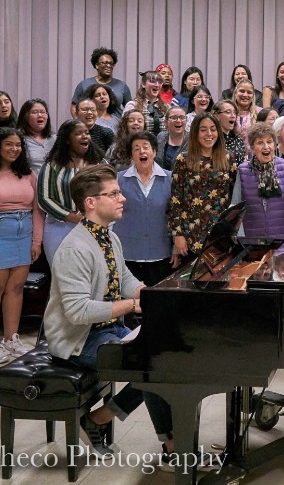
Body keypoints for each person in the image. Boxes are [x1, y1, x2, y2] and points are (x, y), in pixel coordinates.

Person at [42, 164, 175, 464]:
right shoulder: (75, 248)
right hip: (78, 339)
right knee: (152, 364)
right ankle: (171, 445)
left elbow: (125, 280)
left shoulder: (108, 237)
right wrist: (131, 306)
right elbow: (77, 312)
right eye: (113, 193)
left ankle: (100, 418)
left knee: (164, 354)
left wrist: (151, 296)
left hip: (105, 329)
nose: (122, 198)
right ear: (91, 202)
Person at [0, 127, 42, 364]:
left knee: (16, 287)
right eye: (9, 144)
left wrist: (37, 240)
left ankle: (11, 339)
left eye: (18, 145)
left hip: (24, 232)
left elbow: (37, 210)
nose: (15, 149)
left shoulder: (28, 174)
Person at [112, 132, 177, 286]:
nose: (141, 151)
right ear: (131, 156)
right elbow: (110, 217)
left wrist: (175, 247)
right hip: (126, 256)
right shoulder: (118, 180)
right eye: (136, 149)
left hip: (160, 255)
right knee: (128, 305)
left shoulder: (171, 179)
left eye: (145, 147)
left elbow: (177, 216)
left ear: (154, 152)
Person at [169, 113, 235, 260]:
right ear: (195, 133)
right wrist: (178, 235)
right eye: (203, 129)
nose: (209, 134)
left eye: (213, 129)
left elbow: (234, 196)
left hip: (220, 235)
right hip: (191, 235)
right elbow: (175, 200)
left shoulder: (228, 158)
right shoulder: (183, 159)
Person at [38, 119, 104, 265]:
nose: (85, 136)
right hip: (59, 227)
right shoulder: (52, 166)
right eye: (79, 133)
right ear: (67, 140)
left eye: (87, 133)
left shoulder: (99, 164)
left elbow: (109, 193)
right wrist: (70, 216)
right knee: (61, 274)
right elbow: (44, 198)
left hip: (93, 226)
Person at [231, 123, 284, 240]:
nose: (266, 147)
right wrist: (241, 236)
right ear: (252, 147)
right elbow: (236, 207)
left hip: (283, 243)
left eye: (269, 142)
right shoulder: (243, 170)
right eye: (260, 143)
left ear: (275, 144)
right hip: (253, 243)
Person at [71, 46, 133, 114]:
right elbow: (74, 105)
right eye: (105, 63)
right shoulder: (84, 84)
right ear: (97, 65)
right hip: (91, 123)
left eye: (111, 63)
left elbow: (130, 108)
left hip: (116, 123)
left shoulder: (122, 86)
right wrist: (79, 122)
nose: (109, 66)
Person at [124, 71, 169, 136]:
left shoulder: (166, 107)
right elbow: (125, 129)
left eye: (159, 82)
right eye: (152, 81)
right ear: (143, 84)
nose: (156, 85)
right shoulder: (133, 105)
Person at [18, 99, 55, 174]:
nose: (40, 115)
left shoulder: (55, 138)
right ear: (25, 116)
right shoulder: (19, 138)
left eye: (43, 112)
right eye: (35, 112)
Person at [155, 105, 190, 170]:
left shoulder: (192, 139)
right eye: (174, 118)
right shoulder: (160, 137)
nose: (178, 121)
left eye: (182, 117)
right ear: (166, 121)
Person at [215, 99, 247, 168]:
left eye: (235, 112)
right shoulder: (212, 139)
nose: (233, 116)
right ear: (217, 115)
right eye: (228, 112)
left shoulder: (238, 139)